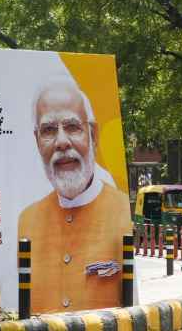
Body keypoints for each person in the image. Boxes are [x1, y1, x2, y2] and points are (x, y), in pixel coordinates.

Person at [18, 78, 132, 313]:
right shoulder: (26, 221)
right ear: (37, 142)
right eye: (49, 130)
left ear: (93, 135)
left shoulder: (122, 210)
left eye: (72, 127)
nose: (61, 142)